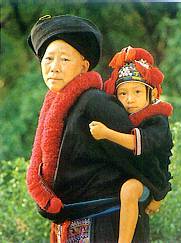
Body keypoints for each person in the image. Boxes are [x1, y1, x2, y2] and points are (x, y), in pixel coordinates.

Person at [26, 15, 151, 243]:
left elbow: (140, 150)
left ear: (83, 66)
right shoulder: (56, 105)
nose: (54, 67)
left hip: (106, 225)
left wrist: (157, 188)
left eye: (64, 59)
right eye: (48, 59)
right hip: (72, 224)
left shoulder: (95, 102)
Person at [89, 46, 173, 243]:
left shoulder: (157, 120)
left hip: (151, 178)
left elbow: (136, 143)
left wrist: (106, 133)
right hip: (130, 172)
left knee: (129, 189)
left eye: (136, 91)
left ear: (151, 94)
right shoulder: (121, 117)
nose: (130, 99)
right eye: (123, 94)